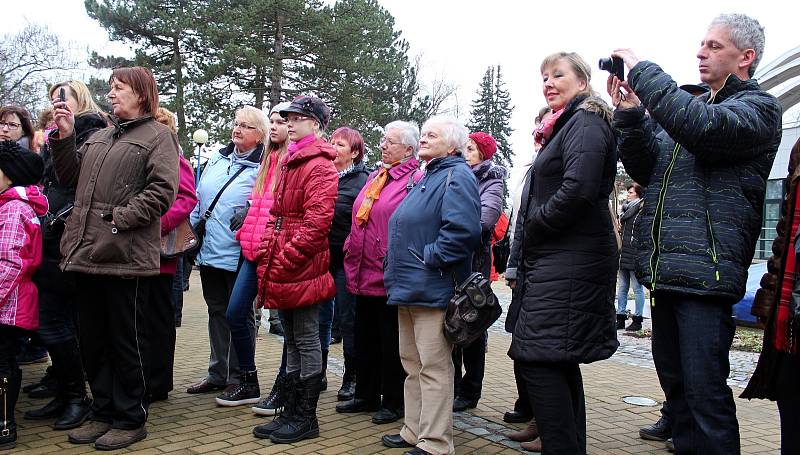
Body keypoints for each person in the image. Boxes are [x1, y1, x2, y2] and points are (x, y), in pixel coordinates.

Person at [609, 13, 782, 454]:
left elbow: (703, 129)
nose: (701, 52)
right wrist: (629, 116)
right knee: (680, 392)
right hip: (668, 270)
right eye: (701, 44)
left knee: (705, 395)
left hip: (707, 275)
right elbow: (647, 169)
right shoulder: (691, 112)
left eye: (713, 46)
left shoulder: (758, 109)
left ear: (746, 57)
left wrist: (644, 72)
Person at [50, 66, 180, 450]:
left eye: (119, 88)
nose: (111, 94)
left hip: (125, 255)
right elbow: (69, 178)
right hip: (87, 253)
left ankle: (129, 417)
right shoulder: (102, 135)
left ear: (141, 94)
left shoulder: (160, 136)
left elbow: (163, 191)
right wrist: (65, 136)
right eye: (110, 88)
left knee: (127, 341)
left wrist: (118, 219)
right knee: (94, 341)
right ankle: (103, 411)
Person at [508, 52, 619, 455]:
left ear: (582, 82)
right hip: (560, 257)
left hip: (572, 257)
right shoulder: (566, 125)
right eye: (544, 77)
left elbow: (579, 188)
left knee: (539, 358)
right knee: (555, 358)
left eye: (558, 75)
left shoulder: (586, 122)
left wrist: (536, 222)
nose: (549, 83)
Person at [381, 115, 480, 455]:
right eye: (422, 134)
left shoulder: (456, 176)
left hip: (433, 288)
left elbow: (463, 232)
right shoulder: (428, 176)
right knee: (411, 364)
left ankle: (436, 442)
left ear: (452, 144)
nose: (423, 139)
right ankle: (414, 430)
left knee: (434, 367)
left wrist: (430, 258)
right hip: (409, 285)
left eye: (431, 135)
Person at [251, 96, 337, 444]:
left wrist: (286, 257)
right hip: (283, 257)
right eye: (287, 117)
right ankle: (290, 410)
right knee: (291, 337)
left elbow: (318, 222)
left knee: (305, 337)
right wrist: (268, 250)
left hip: (301, 262)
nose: (289, 122)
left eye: (297, 118)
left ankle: (306, 415)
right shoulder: (291, 160)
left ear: (314, 124)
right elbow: (277, 213)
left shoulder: (319, 164)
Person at [23, 80, 106, 430]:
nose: (57, 104)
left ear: (80, 100)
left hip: (70, 237)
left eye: (64, 97)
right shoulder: (56, 133)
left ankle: (76, 397)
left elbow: (76, 180)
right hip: (50, 233)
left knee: (55, 321)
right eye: (53, 98)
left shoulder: (94, 132)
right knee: (56, 319)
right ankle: (64, 390)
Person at [337, 121, 420, 424]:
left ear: (409, 150)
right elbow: (358, 218)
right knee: (364, 338)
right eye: (383, 140)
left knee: (390, 342)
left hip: (387, 274)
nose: (383, 145)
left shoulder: (414, 179)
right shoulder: (375, 176)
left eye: (391, 142)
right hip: (359, 269)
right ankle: (366, 395)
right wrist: (349, 245)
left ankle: (393, 401)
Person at [186, 106, 265, 396]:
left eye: (246, 126)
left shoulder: (263, 166)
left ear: (259, 136)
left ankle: (241, 374)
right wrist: (189, 234)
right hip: (208, 250)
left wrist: (250, 209)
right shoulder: (217, 159)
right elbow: (198, 199)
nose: (237, 129)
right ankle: (218, 372)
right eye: (236, 123)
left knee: (239, 314)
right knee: (215, 311)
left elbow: (266, 202)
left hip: (238, 253)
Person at [218, 101, 290, 408]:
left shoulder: (294, 160)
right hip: (252, 248)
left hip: (279, 250)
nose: (274, 126)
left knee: (290, 326)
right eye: (271, 120)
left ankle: (285, 387)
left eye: (280, 122)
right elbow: (258, 201)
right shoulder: (268, 159)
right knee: (235, 312)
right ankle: (248, 380)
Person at [743, 137, 800, 455]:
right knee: (791, 403)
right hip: (792, 320)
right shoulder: (799, 149)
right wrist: (771, 296)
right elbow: (786, 232)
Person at [501, 106, 551, 450]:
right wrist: (514, 266)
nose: (539, 127)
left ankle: (549, 425)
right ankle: (535, 416)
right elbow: (521, 222)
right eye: (538, 121)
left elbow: (538, 219)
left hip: (549, 270)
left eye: (544, 122)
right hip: (528, 266)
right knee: (522, 345)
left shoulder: (554, 162)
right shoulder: (533, 165)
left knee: (545, 353)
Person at [452, 131, 506, 412]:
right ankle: (451, 386)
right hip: (452, 263)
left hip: (474, 265)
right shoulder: (456, 175)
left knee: (472, 328)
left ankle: (470, 390)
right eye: (465, 147)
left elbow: (486, 219)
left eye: (471, 148)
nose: (466, 152)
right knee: (451, 325)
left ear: (483, 154)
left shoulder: (491, 181)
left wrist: (452, 226)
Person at [148, 107, 197, 403]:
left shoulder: (177, 160)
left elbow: (187, 199)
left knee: (159, 319)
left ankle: (159, 380)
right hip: (138, 255)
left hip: (162, 254)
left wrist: (158, 225)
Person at [0, 140, 46, 450]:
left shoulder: (14, 209)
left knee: (2, 364)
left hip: (9, 305)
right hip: (9, 303)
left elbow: (9, 262)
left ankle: (5, 425)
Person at [327, 126, 369, 401]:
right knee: (319, 320)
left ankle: (352, 377)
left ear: (354, 153)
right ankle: (314, 373)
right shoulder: (325, 175)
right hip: (321, 257)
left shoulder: (363, 181)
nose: (333, 148)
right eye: (332, 142)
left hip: (346, 260)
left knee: (348, 320)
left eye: (340, 145)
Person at [616, 182, 645, 331]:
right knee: (622, 287)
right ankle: (620, 318)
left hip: (634, 254)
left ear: (638, 194)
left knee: (637, 288)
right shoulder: (625, 211)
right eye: (627, 192)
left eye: (631, 193)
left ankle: (637, 319)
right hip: (623, 253)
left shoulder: (641, 210)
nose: (627, 195)